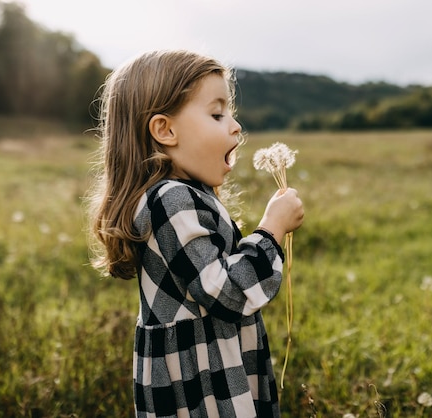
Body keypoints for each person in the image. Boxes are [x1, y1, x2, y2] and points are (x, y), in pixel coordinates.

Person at [87, 50, 304, 417]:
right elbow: (226, 294)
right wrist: (271, 230)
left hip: (212, 367)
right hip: (201, 385)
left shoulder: (183, 196)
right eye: (217, 114)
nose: (235, 126)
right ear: (165, 130)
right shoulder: (171, 200)